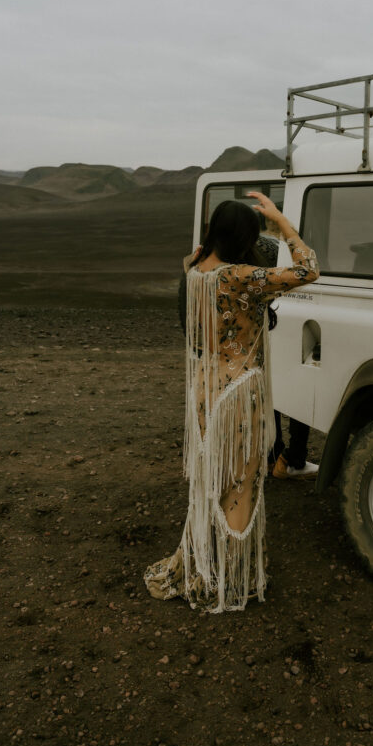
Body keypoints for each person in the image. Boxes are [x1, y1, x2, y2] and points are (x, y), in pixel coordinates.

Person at [144, 193, 319, 614]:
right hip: (241, 389)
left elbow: (202, 253)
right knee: (241, 484)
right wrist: (282, 224)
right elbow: (307, 269)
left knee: (209, 484)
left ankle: (200, 562)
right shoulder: (241, 277)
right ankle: (230, 581)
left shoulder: (194, 269)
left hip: (205, 392)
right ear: (246, 239)